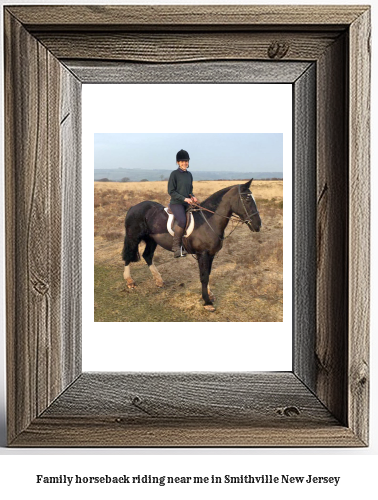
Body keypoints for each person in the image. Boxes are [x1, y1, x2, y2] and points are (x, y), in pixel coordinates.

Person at [168, 149, 198, 257]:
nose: (184, 163)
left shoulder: (189, 175)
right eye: (182, 161)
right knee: (182, 220)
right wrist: (184, 199)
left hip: (187, 202)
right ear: (178, 162)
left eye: (186, 161)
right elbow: (171, 191)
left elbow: (189, 190)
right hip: (176, 203)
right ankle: (176, 248)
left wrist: (192, 196)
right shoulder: (174, 174)